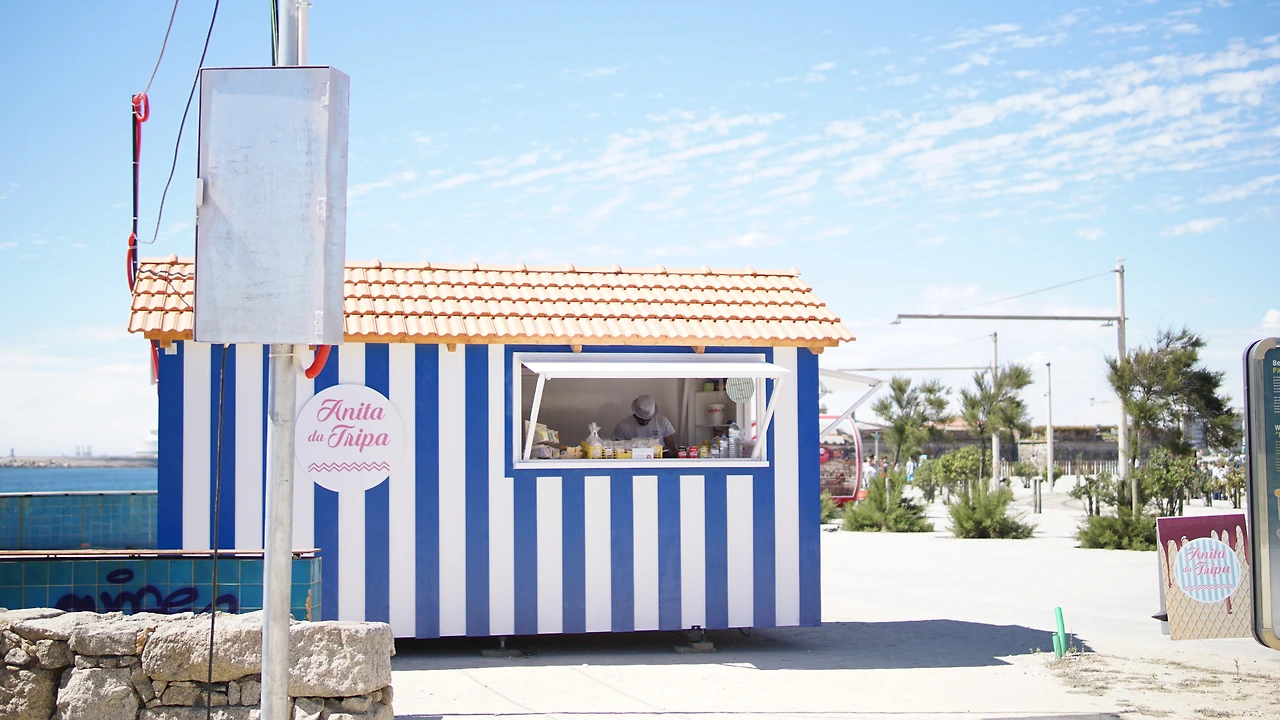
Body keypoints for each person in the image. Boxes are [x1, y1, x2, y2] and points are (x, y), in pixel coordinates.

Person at [613, 394, 677, 457]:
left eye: (649, 419)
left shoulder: (662, 422)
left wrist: (667, 453)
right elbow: (616, 454)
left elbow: (673, 452)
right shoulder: (622, 427)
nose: (645, 422)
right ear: (636, 414)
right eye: (642, 419)